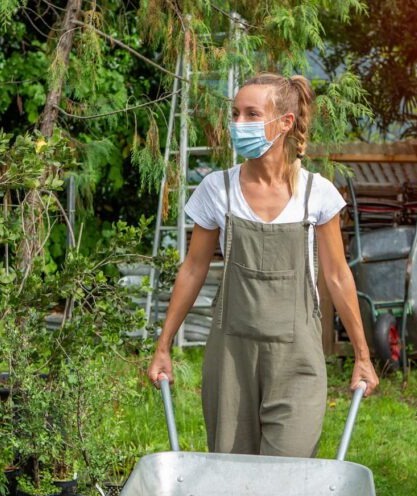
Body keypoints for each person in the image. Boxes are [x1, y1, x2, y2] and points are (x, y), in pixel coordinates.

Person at [146, 72, 379, 458]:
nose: (238, 124)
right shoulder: (217, 189)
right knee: (232, 475)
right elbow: (192, 269)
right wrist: (163, 345)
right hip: (230, 360)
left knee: (288, 475)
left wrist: (363, 357)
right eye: (235, 114)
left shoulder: (315, 194)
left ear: (285, 122)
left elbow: (337, 276)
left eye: (251, 114)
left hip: (297, 360)